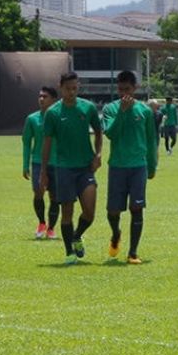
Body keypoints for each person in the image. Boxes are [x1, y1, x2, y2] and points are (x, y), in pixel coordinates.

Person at [41, 72, 103, 265]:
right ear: (61, 87)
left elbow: (99, 132)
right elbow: (47, 144)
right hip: (64, 168)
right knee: (67, 212)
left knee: (90, 212)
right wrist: (43, 172)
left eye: (75, 88)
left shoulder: (88, 108)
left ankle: (77, 236)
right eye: (68, 89)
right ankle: (69, 252)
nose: (72, 92)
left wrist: (98, 154)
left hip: (85, 167)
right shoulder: (53, 113)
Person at [101, 71, 158, 264]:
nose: (123, 93)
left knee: (137, 207)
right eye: (120, 89)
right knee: (113, 211)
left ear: (135, 88)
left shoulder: (145, 111)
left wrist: (152, 164)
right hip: (117, 166)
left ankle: (133, 252)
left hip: (138, 166)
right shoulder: (110, 109)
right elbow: (110, 134)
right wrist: (122, 114)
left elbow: (151, 141)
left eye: (127, 89)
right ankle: (116, 233)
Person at [23, 87, 60, 240]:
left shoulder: (60, 118)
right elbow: (26, 142)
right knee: (38, 192)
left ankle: (51, 228)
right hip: (38, 162)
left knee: (55, 197)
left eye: (45, 96)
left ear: (53, 100)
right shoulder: (32, 119)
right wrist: (25, 165)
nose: (41, 99)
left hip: (58, 163)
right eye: (40, 96)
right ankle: (41, 223)